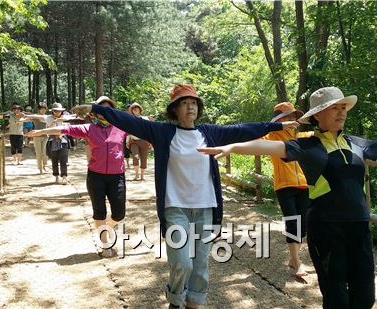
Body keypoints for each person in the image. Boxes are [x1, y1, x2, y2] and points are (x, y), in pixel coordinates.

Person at [197, 86, 377, 309]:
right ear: (317, 115)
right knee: (336, 297)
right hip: (326, 229)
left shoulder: (356, 144)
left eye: (343, 107)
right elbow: (268, 147)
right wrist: (230, 147)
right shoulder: (307, 146)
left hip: (359, 226)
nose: (341, 112)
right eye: (333, 108)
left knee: (365, 298)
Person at [71, 84, 298, 309]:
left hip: (206, 208)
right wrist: (96, 108)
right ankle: (176, 300)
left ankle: (193, 304)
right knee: (182, 263)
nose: (190, 108)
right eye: (184, 103)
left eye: (193, 103)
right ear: (175, 110)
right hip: (175, 207)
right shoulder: (162, 132)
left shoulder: (209, 133)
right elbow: (130, 121)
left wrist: (275, 125)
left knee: (200, 266)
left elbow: (242, 129)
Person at [26, 96, 127, 257]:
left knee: (119, 214)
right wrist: (42, 131)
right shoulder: (89, 128)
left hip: (117, 176)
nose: (104, 113)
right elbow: (62, 129)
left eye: (109, 110)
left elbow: (141, 126)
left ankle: (105, 227)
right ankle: (105, 244)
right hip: (96, 176)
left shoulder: (121, 127)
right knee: (99, 212)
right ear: (95, 113)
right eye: (101, 110)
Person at [263, 102, 313, 278]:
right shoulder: (271, 136)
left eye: (294, 116)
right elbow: (254, 140)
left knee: (303, 226)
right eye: (289, 116)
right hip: (284, 186)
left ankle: (294, 258)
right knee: (293, 222)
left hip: (304, 185)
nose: (293, 119)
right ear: (280, 119)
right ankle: (297, 263)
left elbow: (320, 136)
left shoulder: (301, 136)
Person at [22, 102, 76, 184]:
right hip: (52, 139)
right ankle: (56, 177)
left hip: (63, 139)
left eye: (59, 111)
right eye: (55, 111)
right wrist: (26, 116)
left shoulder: (64, 117)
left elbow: (73, 117)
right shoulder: (48, 117)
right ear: (53, 111)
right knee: (54, 159)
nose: (57, 112)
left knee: (63, 159)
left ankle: (64, 177)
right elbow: (37, 116)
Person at [127, 102, 151, 181]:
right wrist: (127, 141)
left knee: (144, 159)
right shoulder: (130, 119)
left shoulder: (145, 119)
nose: (135, 109)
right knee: (135, 157)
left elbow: (149, 131)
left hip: (144, 141)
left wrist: (151, 141)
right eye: (133, 108)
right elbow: (128, 132)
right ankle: (136, 175)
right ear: (132, 110)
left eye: (137, 108)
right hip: (134, 142)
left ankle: (142, 176)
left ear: (140, 109)